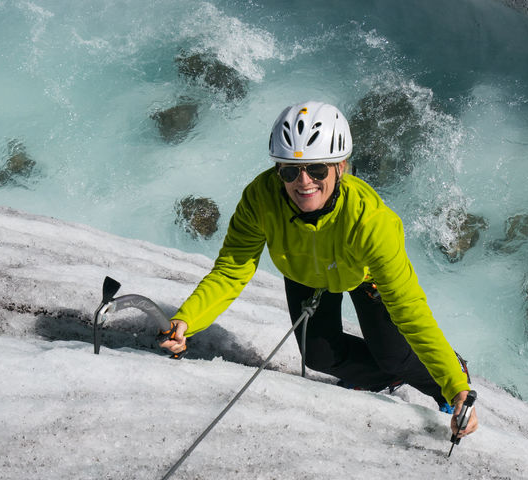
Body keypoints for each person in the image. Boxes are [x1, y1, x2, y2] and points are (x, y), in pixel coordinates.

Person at [161, 101, 478, 439]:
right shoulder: (260, 200)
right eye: (289, 171)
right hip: (304, 273)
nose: (303, 182)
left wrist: (455, 387)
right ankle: (383, 378)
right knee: (319, 357)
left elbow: (409, 308)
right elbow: (232, 269)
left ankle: (444, 378)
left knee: (395, 357)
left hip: (361, 275)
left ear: (341, 167)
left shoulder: (371, 222)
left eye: (317, 170)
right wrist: (187, 320)